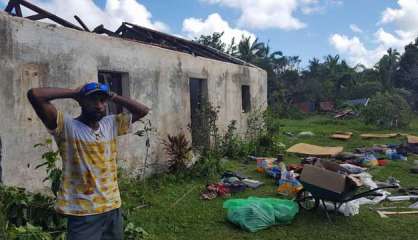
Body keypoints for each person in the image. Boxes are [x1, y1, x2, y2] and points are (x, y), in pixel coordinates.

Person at [27, 82, 149, 240]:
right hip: (83, 213)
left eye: (102, 101)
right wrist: (73, 93)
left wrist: (114, 96)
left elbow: (143, 110)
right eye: (93, 100)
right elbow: (35, 95)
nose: (99, 106)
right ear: (81, 102)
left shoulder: (111, 124)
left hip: (113, 208)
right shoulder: (66, 126)